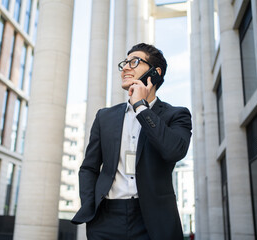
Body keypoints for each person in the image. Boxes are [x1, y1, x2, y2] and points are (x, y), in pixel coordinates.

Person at [71, 43, 192, 240]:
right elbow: (89, 168)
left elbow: (174, 151)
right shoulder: (105, 117)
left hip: (153, 221)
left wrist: (141, 108)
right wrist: (90, 205)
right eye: (125, 63)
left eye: (134, 62)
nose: (126, 67)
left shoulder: (176, 115)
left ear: (155, 71)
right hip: (106, 219)